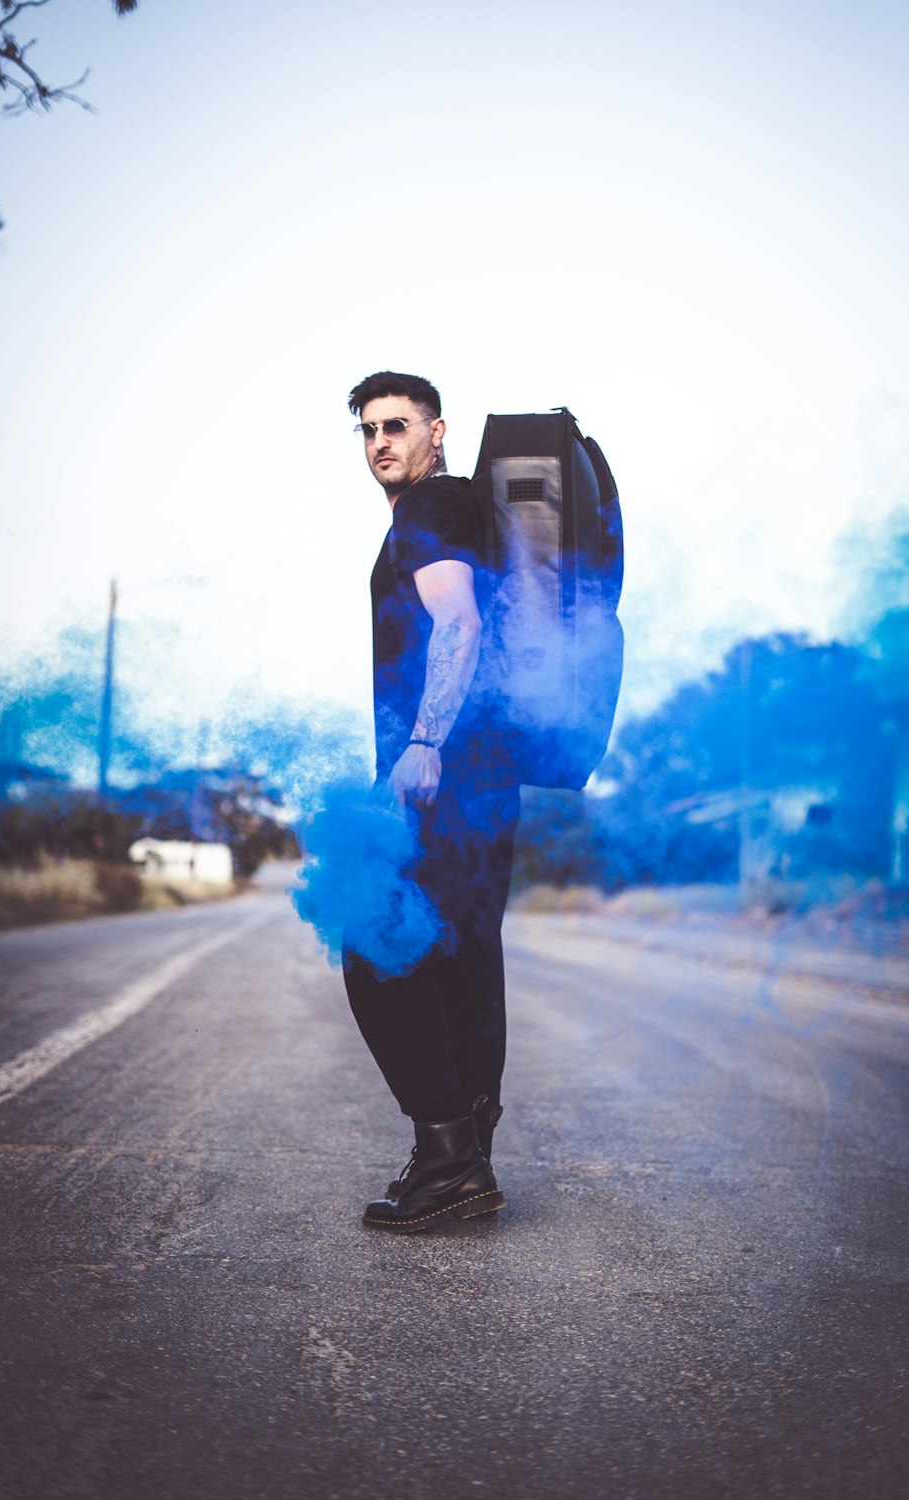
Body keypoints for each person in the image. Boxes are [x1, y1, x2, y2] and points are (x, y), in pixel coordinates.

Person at [343, 370, 520, 1234]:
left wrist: (423, 744)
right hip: (487, 779)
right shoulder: (457, 510)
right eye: (368, 429)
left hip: (446, 774)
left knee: (374, 943)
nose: (380, 441)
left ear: (437, 431)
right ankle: (466, 1164)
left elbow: (460, 624)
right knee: (460, 957)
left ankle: (449, 1156)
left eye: (397, 425)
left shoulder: (432, 510)